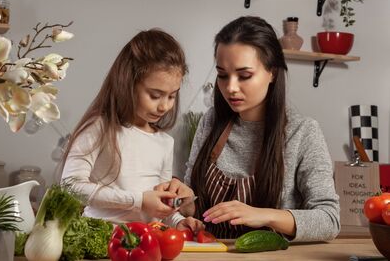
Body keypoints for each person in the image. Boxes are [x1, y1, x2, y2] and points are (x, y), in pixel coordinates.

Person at [182, 16, 340, 241]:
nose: (231, 87)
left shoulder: (303, 132)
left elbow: (329, 220)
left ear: (272, 72)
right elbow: (194, 204)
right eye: (222, 75)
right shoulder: (211, 121)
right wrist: (183, 208)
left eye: (244, 75)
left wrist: (264, 216)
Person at [59, 29, 203, 231]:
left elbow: (159, 207)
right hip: (102, 239)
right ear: (127, 83)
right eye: (155, 95)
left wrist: (178, 221)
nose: (164, 106)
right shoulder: (100, 128)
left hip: (147, 244)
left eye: (171, 96)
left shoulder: (164, 142)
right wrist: (138, 200)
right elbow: (71, 186)